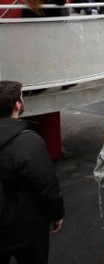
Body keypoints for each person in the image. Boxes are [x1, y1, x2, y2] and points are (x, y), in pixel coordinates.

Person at [0, 81, 64, 264]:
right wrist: (57, 213)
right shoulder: (28, 142)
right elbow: (46, 184)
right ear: (17, 105)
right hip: (27, 228)